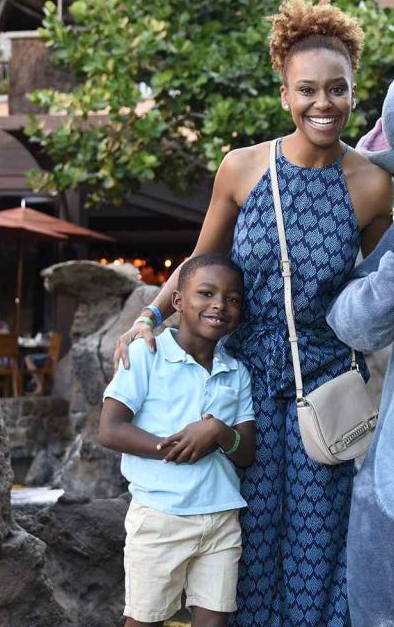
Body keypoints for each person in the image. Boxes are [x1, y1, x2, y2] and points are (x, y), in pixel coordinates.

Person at [112, 0, 394, 626]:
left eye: (338, 89)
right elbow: (199, 259)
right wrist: (149, 319)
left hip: (328, 381)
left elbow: (383, 288)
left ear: (354, 91)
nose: (323, 103)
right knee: (247, 527)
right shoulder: (243, 168)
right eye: (307, 90)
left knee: (323, 536)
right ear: (286, 93)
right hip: (241, 379)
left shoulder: (373, 183)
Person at [98, 253, 256, 627]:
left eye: (233, 299)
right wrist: (173, 447)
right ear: (179, 302)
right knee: (146, 620)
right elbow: (110, 428)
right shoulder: (146, 353)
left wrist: (217, 431)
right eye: (206, 293)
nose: (219, 304)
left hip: (220, 519)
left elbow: (246, 452)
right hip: (160, 517)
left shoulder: (237, 372)